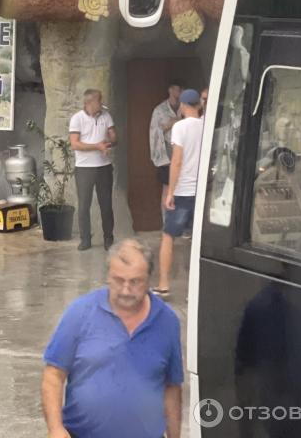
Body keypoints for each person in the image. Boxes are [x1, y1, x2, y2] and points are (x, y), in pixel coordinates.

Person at [41, 238, 183, 438]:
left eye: (135, 281)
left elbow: (172, 388)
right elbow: (53, 374)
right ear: (108, 276)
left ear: (149, 279)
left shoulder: (167, 321)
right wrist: (55, 428)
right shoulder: (80, 313)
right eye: (118, 280)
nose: (125, 290)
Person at [153, 89, 204, 297]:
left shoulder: (180, 127)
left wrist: (170, 192)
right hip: (201, 191)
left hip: (183, 190)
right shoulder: (206, 126)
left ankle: (164, 284)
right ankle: (198, 287)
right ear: (198, 105)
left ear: (182, 106)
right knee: (198, 240)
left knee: (168, 237)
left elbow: (177, 161)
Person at [69, 89, 117, 251]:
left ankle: (108, 238)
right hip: (84, 168)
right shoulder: (77, 118)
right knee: (84, 205)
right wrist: (97, 146)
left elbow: (114, 137)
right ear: (89, 102)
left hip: (104, 167)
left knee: (106, 204)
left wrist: (108, 142)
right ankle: (85, 239)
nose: (102, 101)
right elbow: (75, 144)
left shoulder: (106, 116)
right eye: (99, 99)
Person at [149, 82, 182, 214]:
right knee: (167, 188)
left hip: (183, 152)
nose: (179, 92)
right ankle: (167, 222)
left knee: (183, 189)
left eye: (181, 90)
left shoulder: (185, 108)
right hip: (166, 153)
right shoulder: (159, 110)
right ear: (170, 90)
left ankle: (183, 224)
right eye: (177, 89)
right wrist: (170, 124)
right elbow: (154, 132)